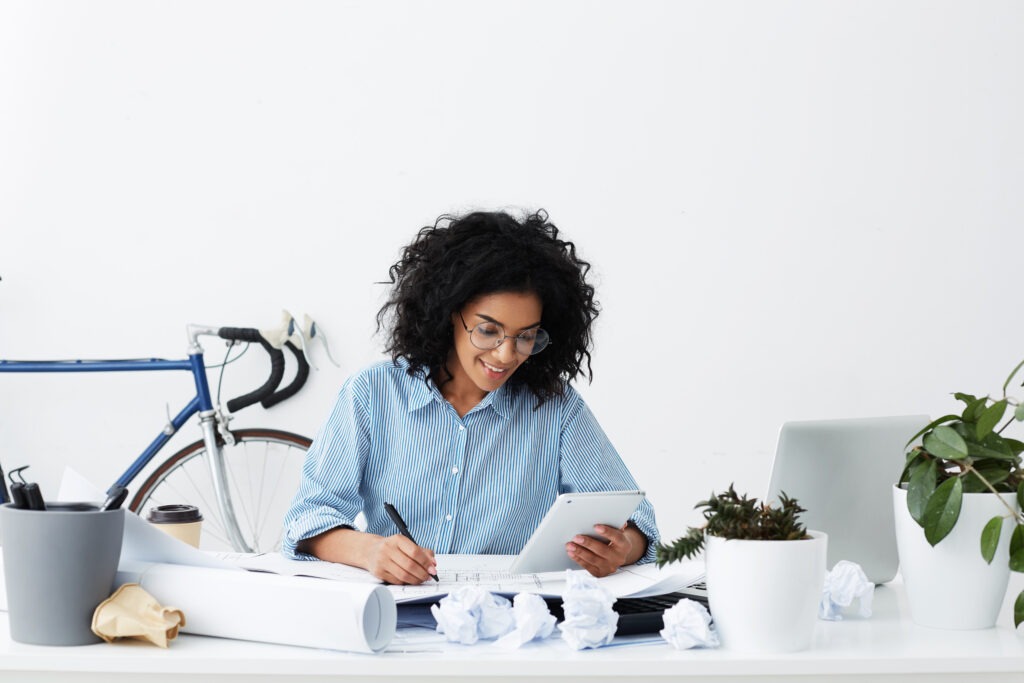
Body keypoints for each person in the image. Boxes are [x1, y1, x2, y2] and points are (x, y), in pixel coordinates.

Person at [282, 209, 659, 584]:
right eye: (488, 330)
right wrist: (370, 551)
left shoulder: (556, 409)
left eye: (525, 336)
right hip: (397, 610)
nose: (506, 354)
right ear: (450, 313)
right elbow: (309, 517)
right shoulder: (372, 395)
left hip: (510, 619)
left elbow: (639, 521)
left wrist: (623, 546)